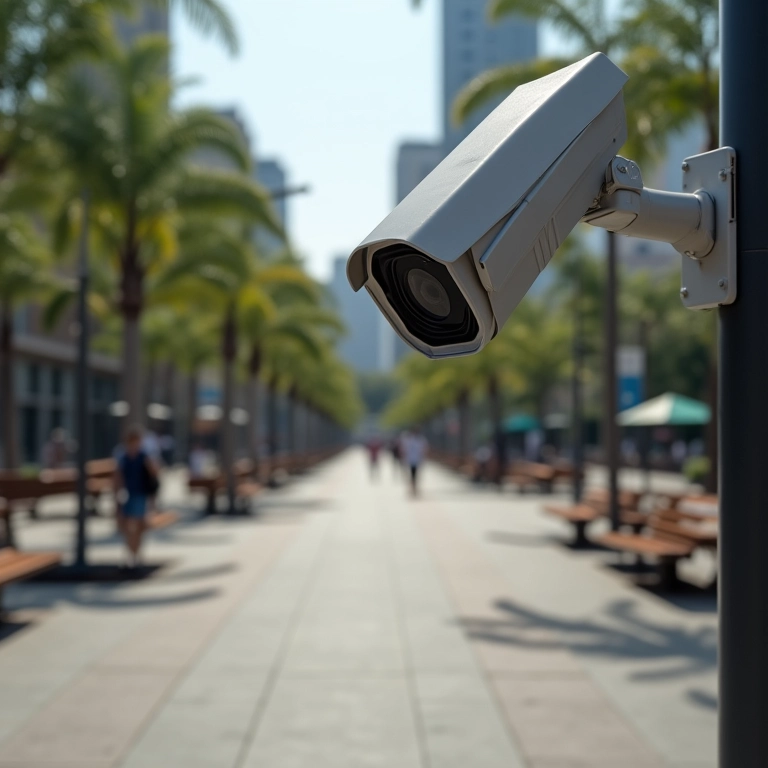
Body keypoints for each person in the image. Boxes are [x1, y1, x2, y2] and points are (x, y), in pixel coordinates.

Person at [114, 425, 159, 569]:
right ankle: (132, 554)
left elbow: (154, 477)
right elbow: (118, 478)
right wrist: (116, 497)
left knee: (139, 527)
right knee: (129, 527)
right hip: (129, 495)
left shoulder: (144, 457)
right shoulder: (124, 457)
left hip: (141, 495)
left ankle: (136, 554)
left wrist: (153, 499)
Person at [401, 428, 428, 496]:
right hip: (412, 460)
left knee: (414, 474)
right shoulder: (415, 440)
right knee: (413, 474)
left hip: (414, 460)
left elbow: (424, 449)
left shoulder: (416, 440)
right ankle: (413, 487)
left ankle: (413, 487)